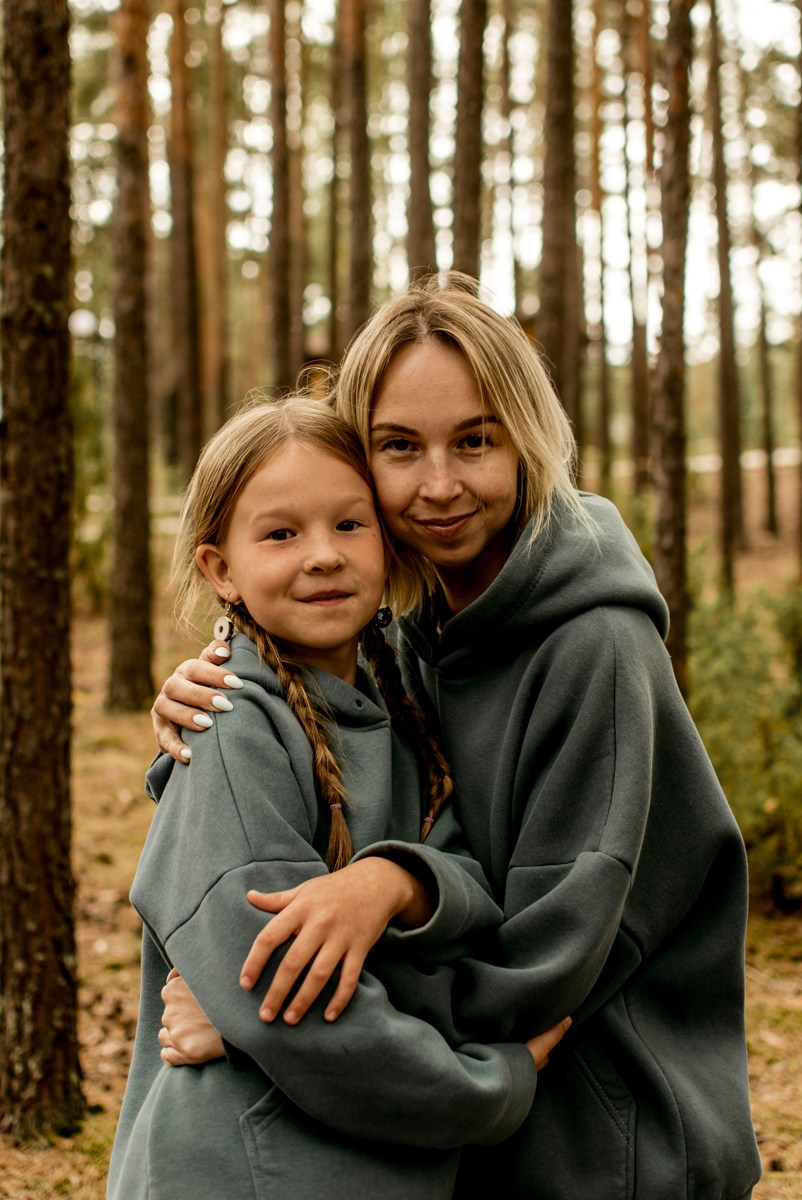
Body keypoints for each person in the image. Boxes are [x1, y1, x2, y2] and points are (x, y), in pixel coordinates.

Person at [152, 274, 763, 1199]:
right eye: (399, 448)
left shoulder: (595, 647)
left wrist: (257, 1017)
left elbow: (542, 965)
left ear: (527, 441)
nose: (439, 485)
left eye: (475, 440)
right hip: (472, 1136)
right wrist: (200, 697)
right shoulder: (406, 638)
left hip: (611, 1137)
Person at [109, 396, 568, 1200]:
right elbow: (299, 1007)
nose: (322, 555)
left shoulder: (399, 701)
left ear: (387, 543)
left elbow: (470, 900)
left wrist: (395, 882)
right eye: (282, 533)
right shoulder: (234, 731)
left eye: (349, 525)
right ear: (221, 570)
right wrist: (489, 1082)